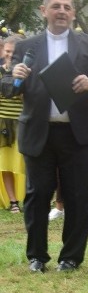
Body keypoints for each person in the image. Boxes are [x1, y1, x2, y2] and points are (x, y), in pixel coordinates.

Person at [4, 0, 88, 272]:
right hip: (39, 133)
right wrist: (13, 76)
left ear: (73, 13)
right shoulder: (26, 45)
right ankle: (36, 257)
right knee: (37, 196)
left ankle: (71, 257)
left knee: (77, 195)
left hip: (77, 134)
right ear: (44, 11)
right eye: (56, 6)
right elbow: (7, 86)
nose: (62, 11)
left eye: (67, 7)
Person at [0, 35, 25, 213]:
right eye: (7, 51)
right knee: (6, 164)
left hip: (23, 122)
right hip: (3, 124)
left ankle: (31, 197)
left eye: (13, 52)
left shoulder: (26, 73)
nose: (9, 55)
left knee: (26, 163)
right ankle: (13, 201)